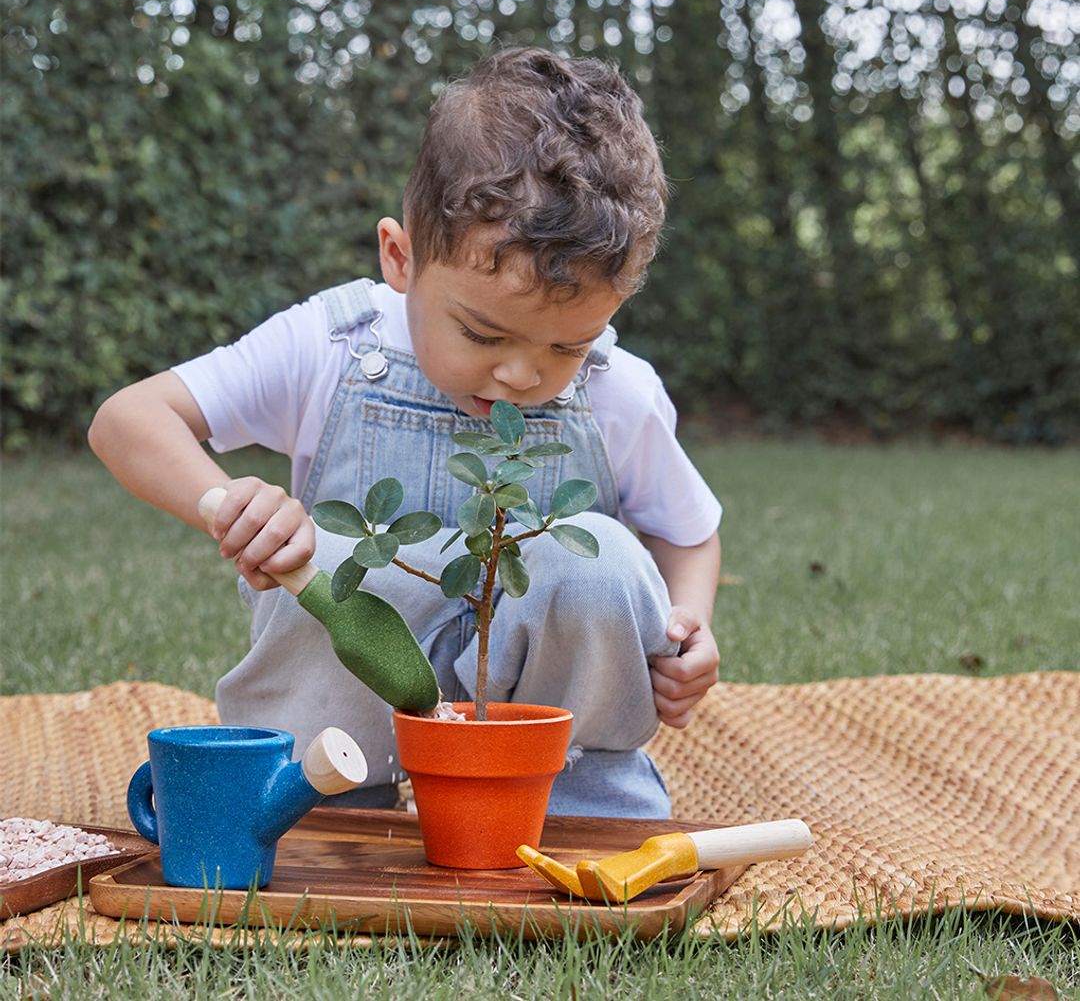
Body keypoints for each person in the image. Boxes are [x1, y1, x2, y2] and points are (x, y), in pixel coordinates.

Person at [89, 47, 722, 818]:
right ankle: (317, 794)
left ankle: (574, 796)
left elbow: (687, 531)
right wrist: (229, 503)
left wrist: (689, 628)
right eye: (484, 335)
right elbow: (126, 421)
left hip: (554, 762)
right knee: (321, 551)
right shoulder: (331, 344)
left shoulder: (618, 391)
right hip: (331, 753)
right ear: (401, 256)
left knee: (605, 566)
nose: (524, 375)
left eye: (566, 346)